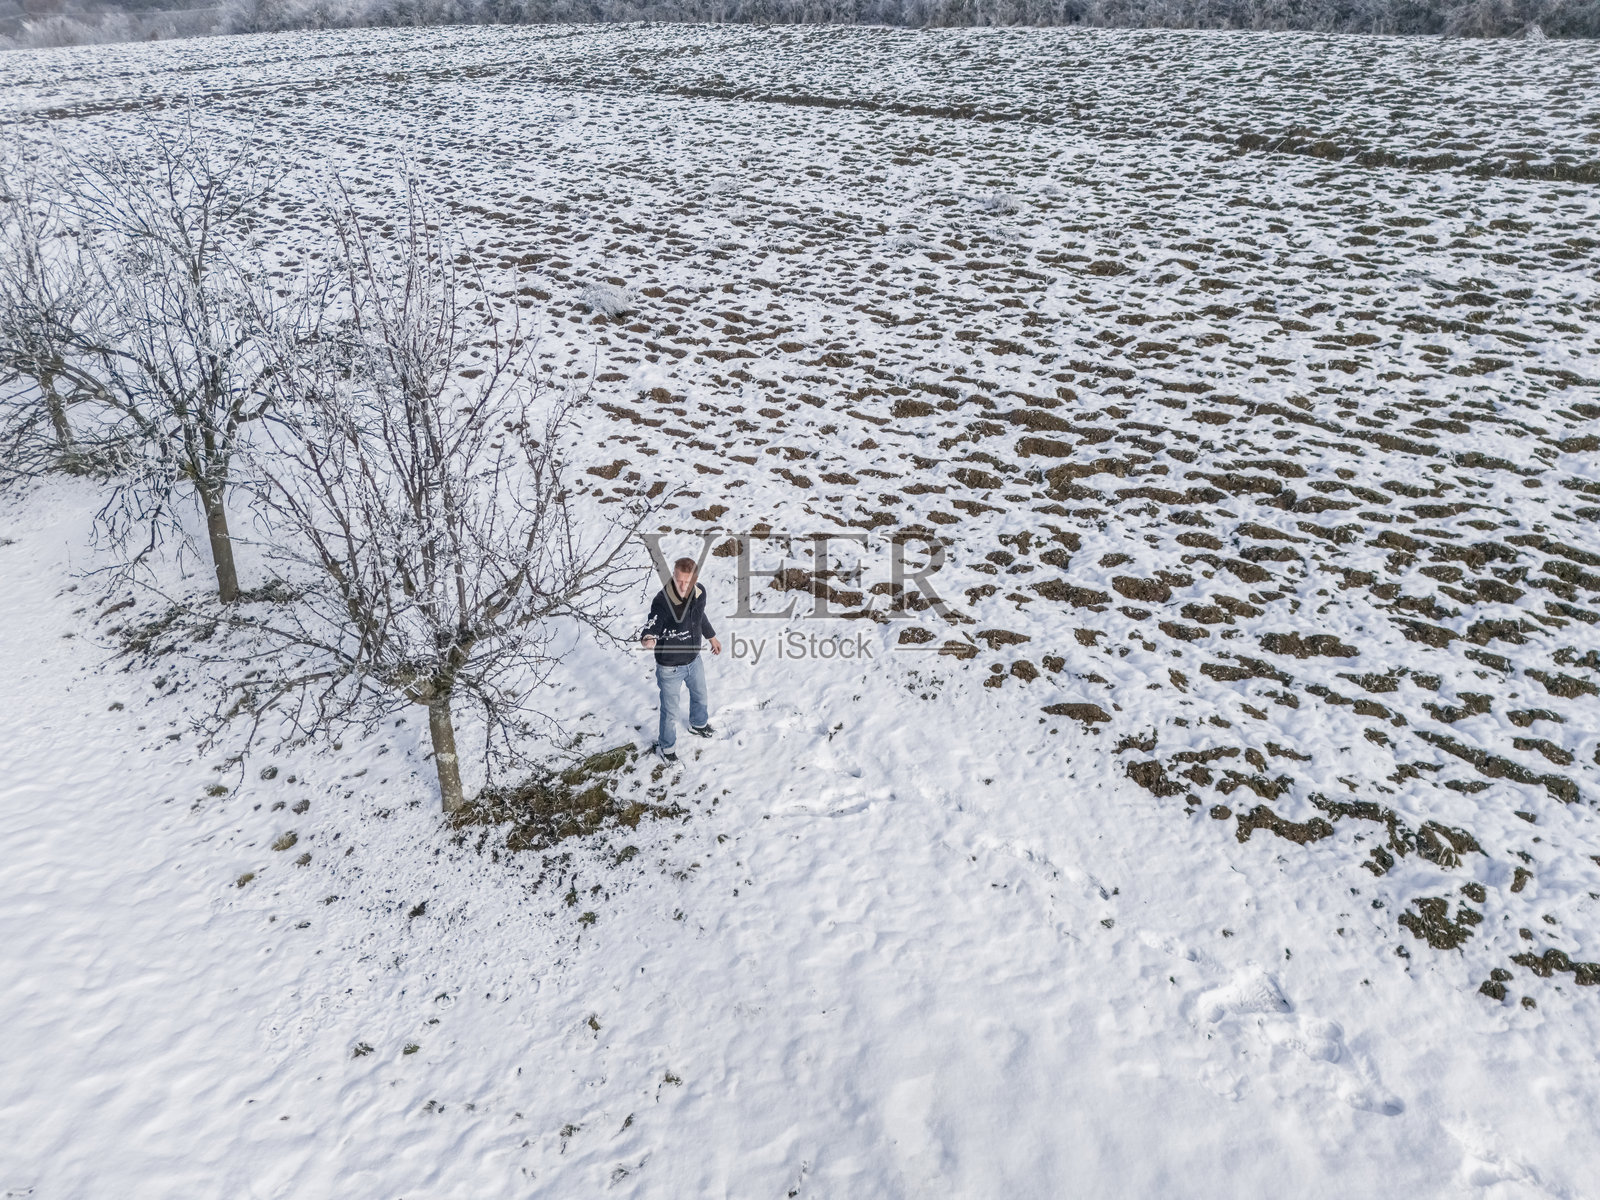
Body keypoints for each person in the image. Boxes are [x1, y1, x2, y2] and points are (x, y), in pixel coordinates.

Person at [641, 557, 722, 763]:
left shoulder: (700, 592)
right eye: (678, 581)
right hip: (670, 667)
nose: (682, 586)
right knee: (670, 711)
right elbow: (654, 620)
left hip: (694, 660)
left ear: (695, 580)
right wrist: (649, 636)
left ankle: (698, 724)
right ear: (673, 577)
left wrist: (711, 636)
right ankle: (666, 748)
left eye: (687, 582)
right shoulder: (663, 600)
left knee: (701, 695)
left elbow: (700, 616)